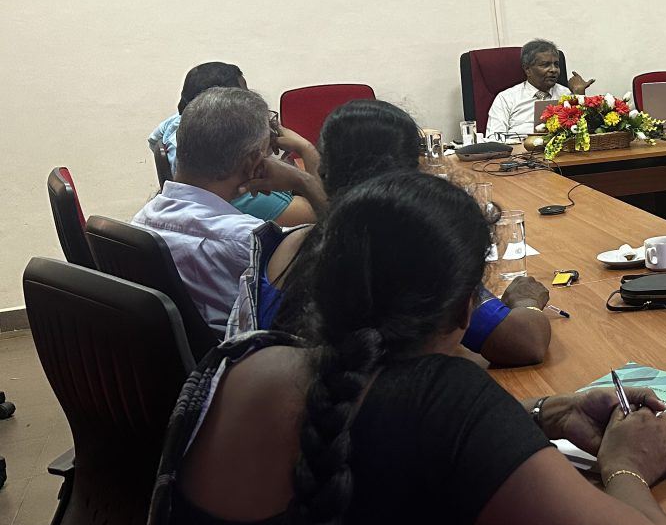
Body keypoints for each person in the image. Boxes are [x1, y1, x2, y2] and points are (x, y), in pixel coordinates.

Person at [114, 171, 666, 525]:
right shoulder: (444, 399)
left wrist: (542, 415)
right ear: (466, 308)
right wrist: (627, 465)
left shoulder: (235, 364)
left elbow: (378, 441)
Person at [236, 98, 553, 367]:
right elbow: (525, 343)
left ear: (323, 172)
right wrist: (526, 302)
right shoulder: (408, 250)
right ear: (414, 173)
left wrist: (304, 181)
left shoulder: (286, 245)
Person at [134, 87, 327, 332]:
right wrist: (305, 181)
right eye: (268, 150)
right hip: (246, 353)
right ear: (253, 163)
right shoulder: (254, 241)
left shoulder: (141, 220)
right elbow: (347, 254)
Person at [149, 62, 319, 227]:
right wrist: (305, 150)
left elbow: (154, 140)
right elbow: (320, 215)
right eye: (244, 96)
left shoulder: (179, 126)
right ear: (251, 162)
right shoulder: (243, 191)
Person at [485, 40, 594, 139]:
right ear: (527, 69)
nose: (553, 70)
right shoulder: (506, 98)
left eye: (556, 64)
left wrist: (579, 94)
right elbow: (494, 138)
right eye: (545, 65)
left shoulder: (568, 95)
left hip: (562, 152)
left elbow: (586, 135)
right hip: (518, 151)